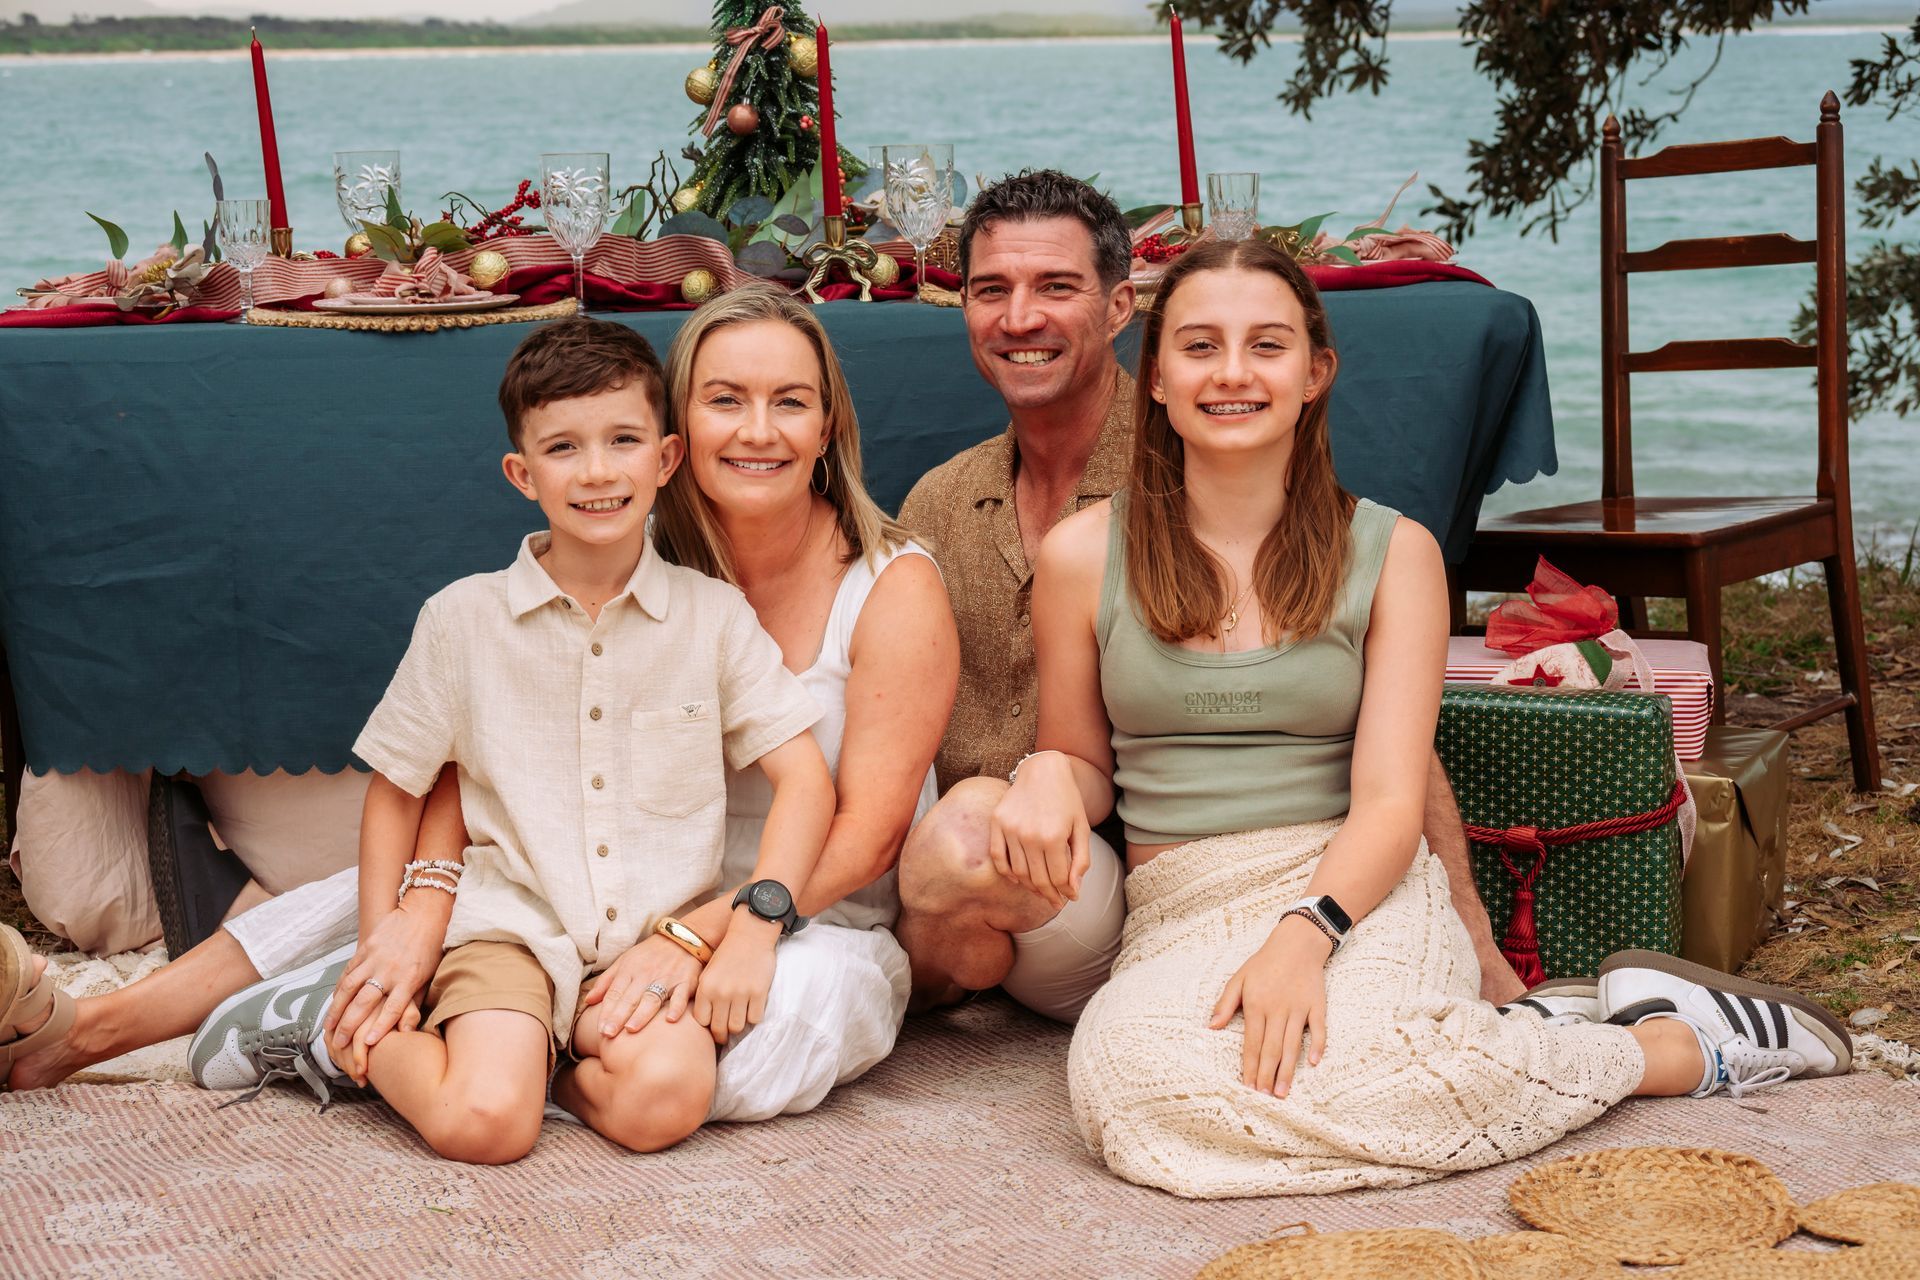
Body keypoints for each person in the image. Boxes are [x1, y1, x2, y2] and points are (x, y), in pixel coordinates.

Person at [998, 236, 1852, 1197]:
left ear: (1316, 372)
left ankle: (1681, 1046)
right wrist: (1041, 773)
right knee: (1128, 1088)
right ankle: (1561, 1037)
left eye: (1266, 346)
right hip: (1181, 902)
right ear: (1153, 377)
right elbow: (1078, 759)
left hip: (1358, 887)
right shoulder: (1080, 556)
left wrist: (1304, 932)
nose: (1232, 373)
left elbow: (1392, 800)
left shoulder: (1393, 553)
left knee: (1382, 1068)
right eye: (1199, 347)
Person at [4, 304, 960, 1137]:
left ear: (829, 419)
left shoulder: (886, 587)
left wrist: (717, 931)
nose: (758, 430)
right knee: (403, 892)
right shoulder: (626, 542)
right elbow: (492, 746)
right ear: (681, 431)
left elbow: (866, 832)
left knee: (730, 1072)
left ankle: (440, 1044)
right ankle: (103, 1027)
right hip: (562, 880)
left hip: (784, 911)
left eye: (789, 400)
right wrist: (421, 905)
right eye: (724, 399)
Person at [893, 169, 1524, 1025]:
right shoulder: (941, 503)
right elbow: (892, 702)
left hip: (1290, 873)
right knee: (959, 839)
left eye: (1056, 287)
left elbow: (1392, 750)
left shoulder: (1222, 453)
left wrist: (1474, 941)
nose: (1019, 318)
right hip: (1091, 885)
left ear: (1121, 313)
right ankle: (929, 1000)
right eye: (990, 290)